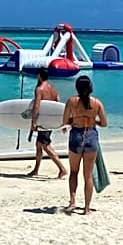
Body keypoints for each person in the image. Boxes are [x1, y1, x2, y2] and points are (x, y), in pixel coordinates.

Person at [63, 75, 107, 215]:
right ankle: (87, 208)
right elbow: (104, 123)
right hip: (91, 137)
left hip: (76, 136)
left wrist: (75, 119)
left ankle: (73, 201)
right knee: (87, 176)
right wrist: (93, 121)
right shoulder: (97, 103)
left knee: (74, 172)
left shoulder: (71, 101)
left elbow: (65, 120)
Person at [28, 69, 67, 179]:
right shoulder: (53, 89)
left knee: (46, 146)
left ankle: (62, 169)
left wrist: (34, 122)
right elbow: (58, 104)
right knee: (39, 145)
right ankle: (36, 169)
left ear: (39, 76)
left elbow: (36, 106)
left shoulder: (39, 89)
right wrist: (61, 122)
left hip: (42, 121)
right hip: (49, 120)